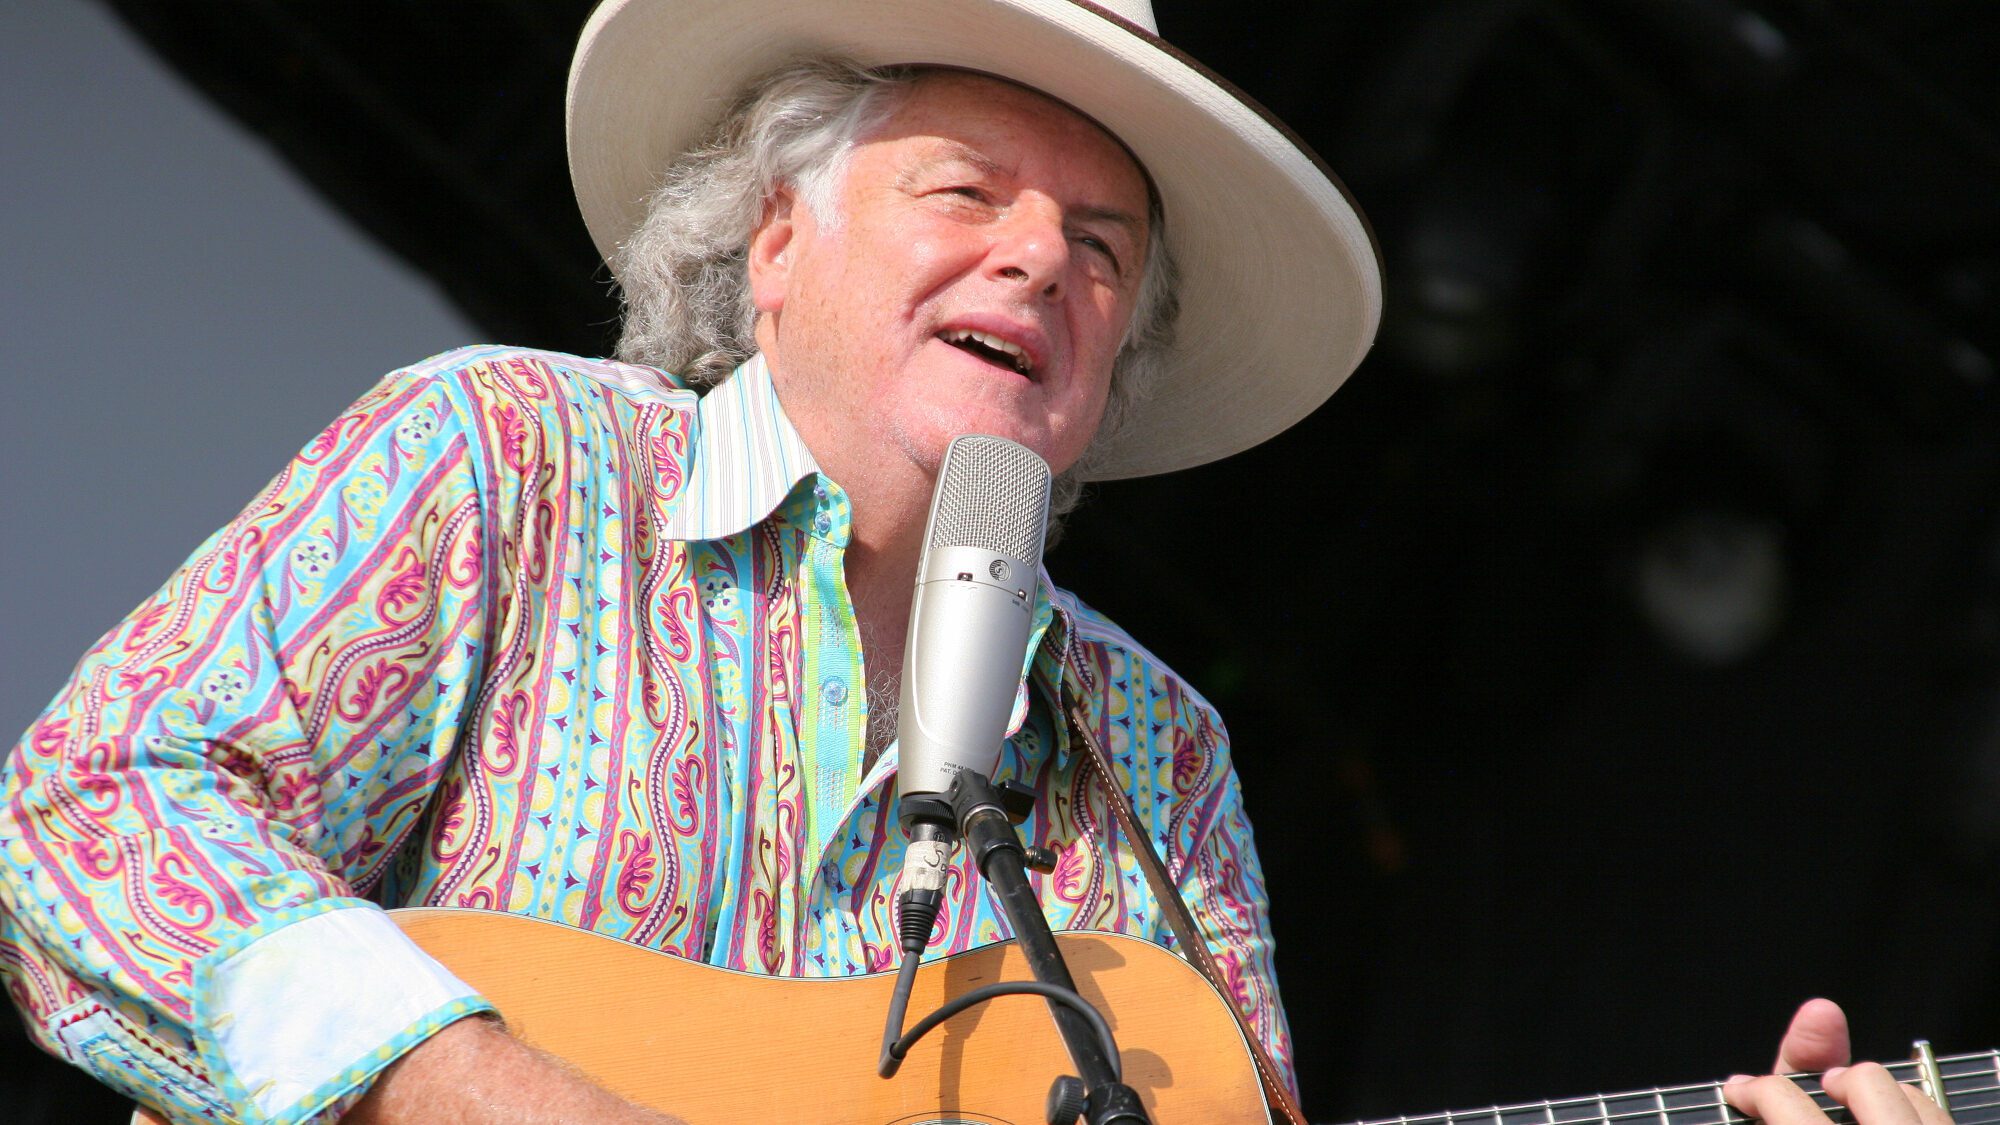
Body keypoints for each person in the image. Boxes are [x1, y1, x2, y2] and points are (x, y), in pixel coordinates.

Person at [0, 2, 1946, 1125]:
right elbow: (90, 807)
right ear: (772, 244)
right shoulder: (507, 456)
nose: (1040, 259)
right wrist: (465, 1079)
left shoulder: (1152, 751)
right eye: (967, 192)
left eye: (1101, 247)